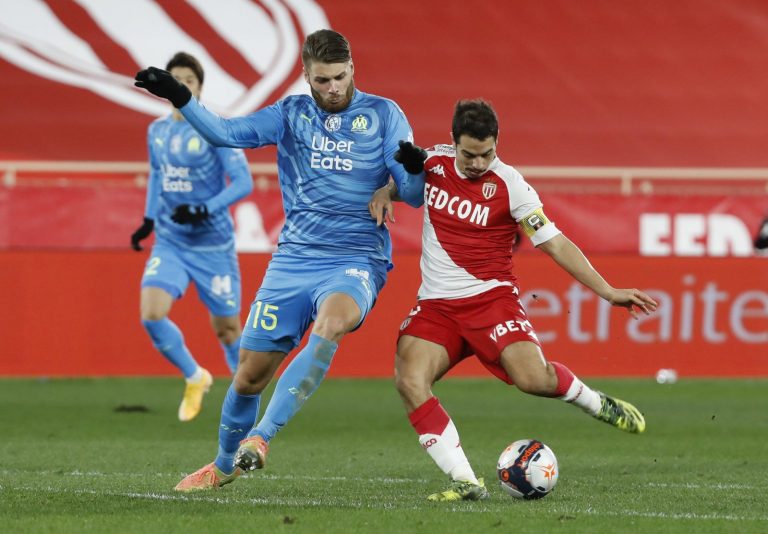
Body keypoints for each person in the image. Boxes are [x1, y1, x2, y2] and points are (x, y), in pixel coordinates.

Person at [134, 29, 424, 491]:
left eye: (341, 77)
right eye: (323, 79)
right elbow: (226, 133)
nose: (334, 88)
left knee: (333, 323)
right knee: (249, 376)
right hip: (293, 259)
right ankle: (223, 465)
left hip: (356, 255)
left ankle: (262, 438)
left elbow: (412, 194)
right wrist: (180, 95)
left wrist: (407, 172)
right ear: (307, 76)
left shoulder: (384, 114)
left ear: (353, 69)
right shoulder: (290, 115)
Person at [369, 99, 658, 502]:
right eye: (469, 154)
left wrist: (608, 291)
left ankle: (597, 403)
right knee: (409, 380)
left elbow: (555, 243)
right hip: (437, 305)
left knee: (533, 380)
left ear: (496, 144)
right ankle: (465, 481)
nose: (477, 163)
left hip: (492, 302)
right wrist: (386, 191)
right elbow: (409, 186)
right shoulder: (433, 163)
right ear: (453, 143)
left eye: (487, 153)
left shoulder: (511, 185)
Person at [130, 52, 254, 422]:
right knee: (151, 314)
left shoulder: (214, 129)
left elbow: (244, 182)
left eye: (189, 80)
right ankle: (194, 375)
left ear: (199, 87)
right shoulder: (158, 130)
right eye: (175, 78)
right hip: (171, 241)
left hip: (212, 245)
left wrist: (205, 209)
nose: (181, 85)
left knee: (229, 330)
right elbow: (157, 173)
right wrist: (149, 219)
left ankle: (244, 397)